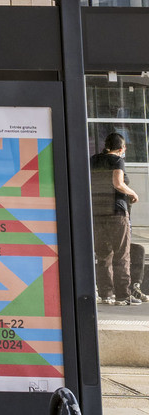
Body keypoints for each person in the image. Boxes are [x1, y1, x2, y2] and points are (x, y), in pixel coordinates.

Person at [91, 127, 138, 305]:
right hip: (116, 212)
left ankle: (105, 294)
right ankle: (123, 295)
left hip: (97, 212)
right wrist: (132, 193)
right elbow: (117, 183)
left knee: (103, 255)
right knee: (121, 254)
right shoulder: (117, 160)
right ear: (121, 148)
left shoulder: (94, 160)